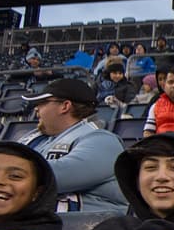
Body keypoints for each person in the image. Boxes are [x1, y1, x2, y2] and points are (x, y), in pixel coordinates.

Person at [19, 78, 126, 212]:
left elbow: (57, 176)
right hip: (41, 227)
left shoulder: (103, 141)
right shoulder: (37, 139)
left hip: (92, 228)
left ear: (65, 106)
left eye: (42, 103)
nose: (36, 109)